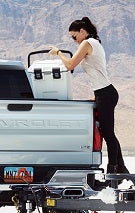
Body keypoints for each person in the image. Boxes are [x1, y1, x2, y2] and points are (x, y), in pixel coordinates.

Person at [50, 17, 128, 174]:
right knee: (108, 132)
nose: (74, 41)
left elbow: (70, 65)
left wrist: (58, 52)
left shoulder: (87, 43)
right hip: (103, 93)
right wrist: (97, 96)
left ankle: (113, 170)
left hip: (106, 93)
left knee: (108, 133)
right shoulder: (94, 43)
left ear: (82, 31)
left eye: (74, 36)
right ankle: (120, 167)